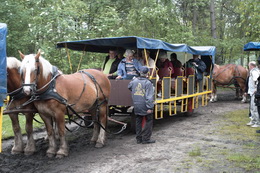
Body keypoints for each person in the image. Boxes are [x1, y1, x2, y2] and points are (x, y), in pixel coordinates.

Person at [128, 66, 155, 144]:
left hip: (136, 103)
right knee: (149, 121)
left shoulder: (134, 81)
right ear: (147, 73)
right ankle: (146, 139)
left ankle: (138, 139)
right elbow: (149, 97)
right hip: (145, 105)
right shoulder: (148, 83)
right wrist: (150, 107)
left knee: (138, 121)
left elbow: (129, 87)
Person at [247, 61, 260, 127]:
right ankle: (253, 120)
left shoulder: (254, 72)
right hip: (252, 92)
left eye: (249, 65)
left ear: (251, 66)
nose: (248, 67)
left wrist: (256, 89)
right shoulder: (253, 71)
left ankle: (257, 122)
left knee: (254, 108)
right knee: (252, 107)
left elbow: (256, 80)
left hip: (254, 92)